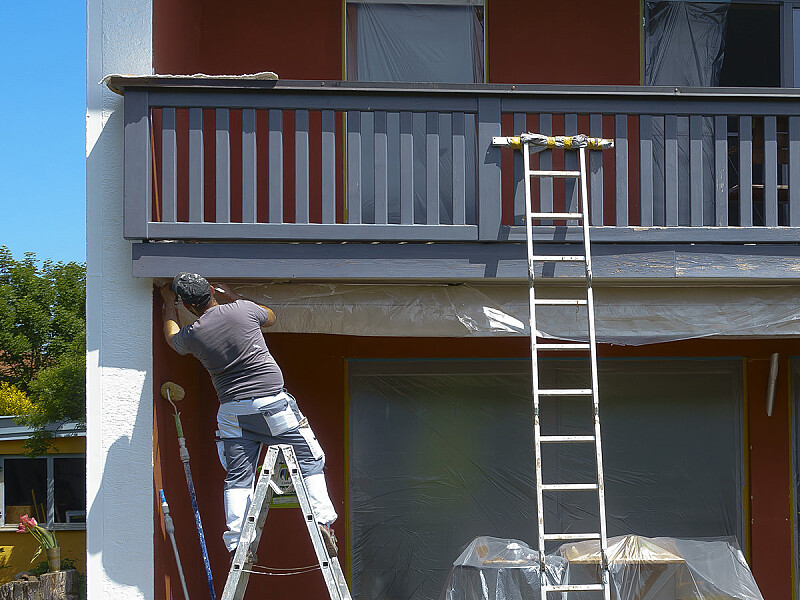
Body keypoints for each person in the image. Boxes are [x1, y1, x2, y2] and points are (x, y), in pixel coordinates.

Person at [158, 272, 338, 558]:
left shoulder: (193, 334)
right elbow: (270, 317)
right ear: (211, 291)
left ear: (189, 307)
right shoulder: (242, 310)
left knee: (238, 478)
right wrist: (232, 295)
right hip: (273, 406)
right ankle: (323, 523)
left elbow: (172, 339)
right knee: (310, 460)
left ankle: (237, 545)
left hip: (232, 413)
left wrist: (168, 304)